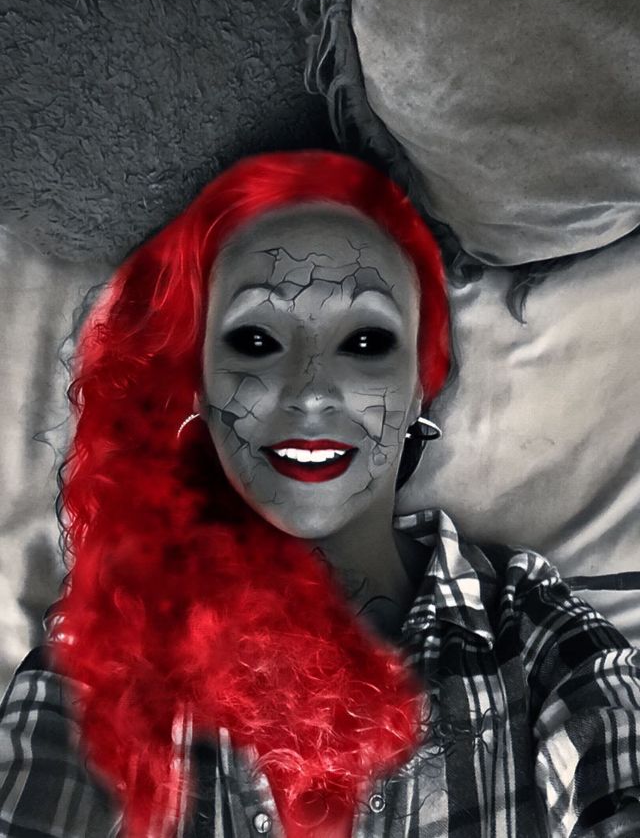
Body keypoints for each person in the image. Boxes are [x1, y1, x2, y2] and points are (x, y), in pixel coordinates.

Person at [1, 152, 640, 838]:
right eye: (256, 339)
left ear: (420, 383)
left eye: (365, 341)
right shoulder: (111, 641)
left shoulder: (530, 629)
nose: (310, 393)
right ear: (199, 387)